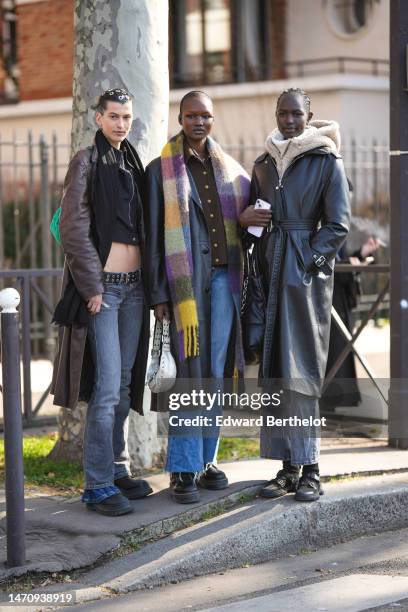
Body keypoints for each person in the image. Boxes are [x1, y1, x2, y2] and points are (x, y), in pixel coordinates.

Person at [239, 88, 350, 502]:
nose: (288, 120)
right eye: (283, 113)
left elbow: (338, 225)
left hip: (302, 278)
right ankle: (287, 468)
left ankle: (312, 469)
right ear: (276, 114)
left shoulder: (325, 160)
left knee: (301, 370)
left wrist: (309, 265)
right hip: (270, 271)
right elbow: (252, 216)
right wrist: (246, 224)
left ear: (309, 115)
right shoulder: (264, 163)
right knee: (274, 368)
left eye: (296, 113)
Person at [144, 90, 250, 503]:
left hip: (225, 284)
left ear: (214, 119)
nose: (198, 122)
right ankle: (183, 469)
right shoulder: (161, 171)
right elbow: (155, 238)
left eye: (205, 116)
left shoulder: (231, 170)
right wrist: (159, 295)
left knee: (215, 372)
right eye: (191, 116)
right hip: (184, 289)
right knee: (189, 375)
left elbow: (244, 224)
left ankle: (207, 459)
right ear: (181, 119)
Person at [51, 88, 152, 516]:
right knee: (107, 386)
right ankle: (96, 486)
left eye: (126, 117)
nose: (121, 124)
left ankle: (117, 468)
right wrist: (92, 287)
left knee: (126, 383)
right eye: (113, 116)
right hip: (104, 290)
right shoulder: (87, 160)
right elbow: (73, 228)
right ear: (98, 119)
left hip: (134, 288)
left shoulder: (132, 160)